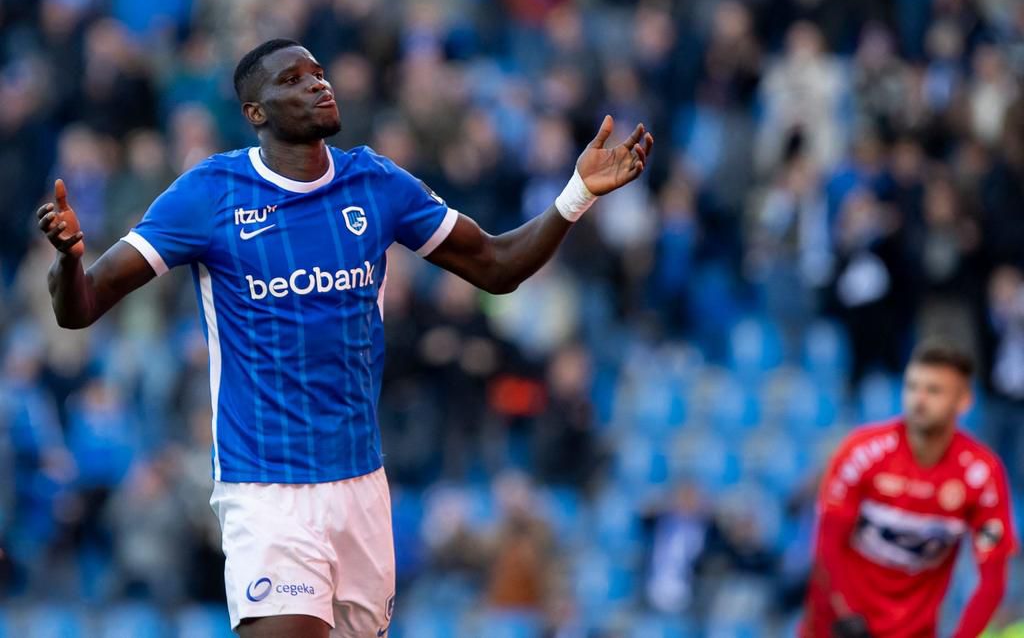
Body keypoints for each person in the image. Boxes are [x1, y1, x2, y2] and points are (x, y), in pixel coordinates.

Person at [34, 38, 653, 638]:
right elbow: (80, 307)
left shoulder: (375, 183)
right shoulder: (209, 195)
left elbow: (496, 265)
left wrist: (576, 194)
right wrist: (67, 259)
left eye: (318, 72)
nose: (317, 84)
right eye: (293, 80)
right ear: (255, 113)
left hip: (360, 485)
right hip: (265, 486)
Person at [801, 340, 1017, 638]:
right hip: (838, 628)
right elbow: (827, 546)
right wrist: (846, 614)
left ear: (963, 400)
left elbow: (992, 580)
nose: (919, 399)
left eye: (934, 390)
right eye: (912, 387)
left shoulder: (982, 477)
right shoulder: (861, 453)